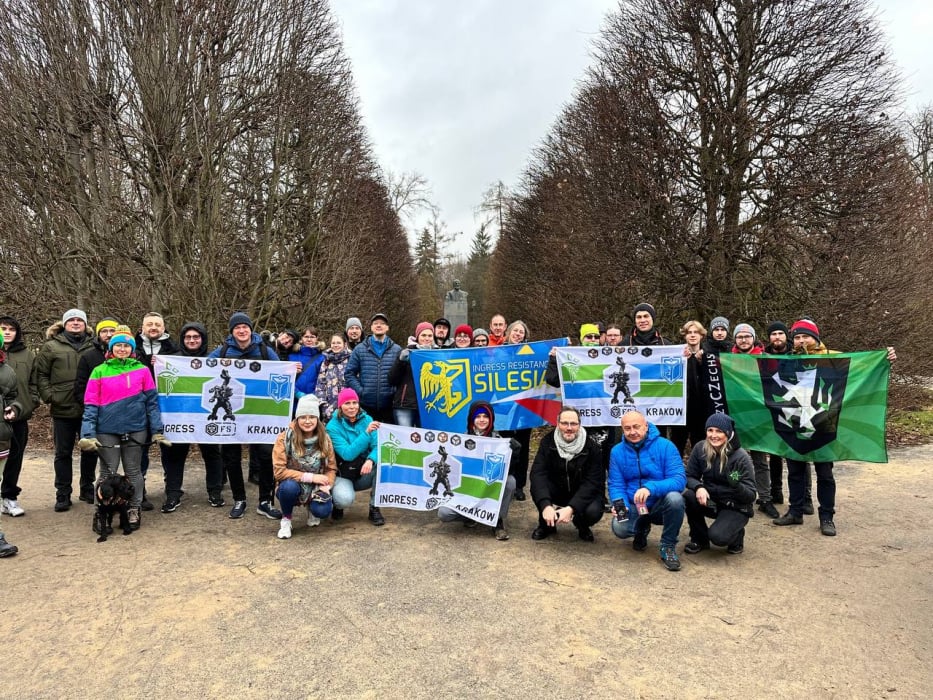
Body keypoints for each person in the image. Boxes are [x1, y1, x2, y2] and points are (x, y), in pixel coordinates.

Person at [772, 319, 896, 537]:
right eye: (797, 337)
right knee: (795, 471)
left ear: (815, 338)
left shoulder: (833, 357)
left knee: (825, 473)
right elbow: (773, 380)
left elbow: (863, 367)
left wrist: (885, 359)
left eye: (805, 336)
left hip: (824, 421)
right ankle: (795, 511)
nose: (801, 341)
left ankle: (827, 516)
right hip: (795, 422)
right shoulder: (788, 359)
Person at [78, 332, 168, 531]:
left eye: (126, 346)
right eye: (118, 346)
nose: (122, 349)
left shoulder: (143, 371)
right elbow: (91, 404)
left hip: (136, 428)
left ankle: (133, 509)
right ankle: (100, 513)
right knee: (107, 472)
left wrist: (156, 430)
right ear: (111, 349)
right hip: (106, 429)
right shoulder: (99, 371)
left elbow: (152, 403)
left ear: (132, 349)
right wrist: (88, 434)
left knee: (133, 471)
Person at [207, 312, 283, 521]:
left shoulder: (265, 351)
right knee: (231, 458)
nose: (242, 330)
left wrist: (294, 369)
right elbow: (202, 370)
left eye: (245, 327)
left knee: (267, 456)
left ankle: (265, 501)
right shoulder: (222, 351)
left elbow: (281, 373)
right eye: (237, 327)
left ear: (251, 329)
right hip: (233, 415)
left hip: (261, 415)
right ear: (232, 331)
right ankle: (239, 499)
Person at [34, 308, 98, 511]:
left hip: (90, 406)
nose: (76, 323)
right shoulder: (51, 346)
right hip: (62, 407)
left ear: (85, 324)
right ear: (64, 324)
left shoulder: (94, 346)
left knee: (90, 450)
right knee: (63, 453)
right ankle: (63, 493)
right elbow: (41, 374)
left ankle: (87, 488)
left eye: (80, 320)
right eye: (72, 320)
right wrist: (49, 396)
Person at [159, 322, 226, 510]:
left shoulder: (214, 359)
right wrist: (157, 365)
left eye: (196, 337)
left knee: (212, 455)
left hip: (207, 416)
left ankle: (215, 492)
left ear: (203, 339)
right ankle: (172, 494)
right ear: (182, 340)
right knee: (175, 456)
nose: (192, 340)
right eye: (188, 337)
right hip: (181, 416)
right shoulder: (172, 359)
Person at [608, 410, 686, 571]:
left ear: (646, 426)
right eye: (627, 428)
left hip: (660, 504)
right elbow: (616, 485)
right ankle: (641, 529)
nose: (632, 432)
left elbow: (679, 479)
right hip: (633, 504)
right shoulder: (617, 451)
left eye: (636, 427)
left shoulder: (666, 446)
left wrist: (651, 488)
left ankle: (668, 546)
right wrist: (620, 506)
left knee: (676, 499)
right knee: (619, 528)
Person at [438, 401, 515, 540]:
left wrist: (515, 454)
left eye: (485, 416)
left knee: (510, 482)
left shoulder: (499, 441)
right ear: (471, 419)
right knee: (443, 513)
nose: (481, 420)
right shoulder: (461, 440)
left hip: (487, 487)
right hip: (467, 490)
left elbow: (507, 472)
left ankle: (497, 521)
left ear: (491, 419)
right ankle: (470, 515)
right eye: (477, 416)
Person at [683, 414, 756, 555]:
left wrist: (736, 485)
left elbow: (751, 496)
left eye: (719, 431)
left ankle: (737, 535)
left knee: (718, 537)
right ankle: (699, 539)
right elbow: (689, 476)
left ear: (728, 433)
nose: (713, 435)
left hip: (735, 506)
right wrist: (699, 487)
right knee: (689, 496)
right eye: (710, 430)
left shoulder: (741, 457)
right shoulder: (700, 448)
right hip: (712, 500)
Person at [529, 406, 604, 542]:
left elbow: (593, 483)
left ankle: (582, 524)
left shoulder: (592, 447)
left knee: (594, 510)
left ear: (579, 425)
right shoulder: (547, 442)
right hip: (557, 488)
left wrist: (572, 508)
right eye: (564, 423)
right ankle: (546, 524)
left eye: (573, 424)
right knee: (538, 487)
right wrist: (545, 505)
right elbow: (538, 474)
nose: (569, 428)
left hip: (580, 491)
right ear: (558, 424)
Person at [731, 323, 779, 518]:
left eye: (747, 336)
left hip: (759, 417)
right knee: (732, 460)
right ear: (735, 340)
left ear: (753, 338)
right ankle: (736, 493)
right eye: (740, 337)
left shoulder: (766, 359)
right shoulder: (727, 360)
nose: (743, 340)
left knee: (760, 460)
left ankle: (765, 498)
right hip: (735, 415)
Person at [272, 394, 337, 539]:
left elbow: (331, 468)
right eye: (303, 417)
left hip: (315, 486)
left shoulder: (325, 438)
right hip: (292, 484)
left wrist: (327, 485)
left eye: (312, 417)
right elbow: (279, 472)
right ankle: (286, 519)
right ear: (297, 418)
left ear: (317, 418)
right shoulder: (284, 438)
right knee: (288, 488)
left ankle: (312, 508)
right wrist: (312, 477)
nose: (307, 421)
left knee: (323, 510)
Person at [325, 388, 384, 525]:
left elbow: (377, 446)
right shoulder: (332, 426)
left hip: (364, 470)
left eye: (354, 402)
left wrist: (371, 460)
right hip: (343, 473)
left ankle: (374, 507)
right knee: (344, 500)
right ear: (340, 406)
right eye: (347, 403)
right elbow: (347, 454)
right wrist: (366, 432)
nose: (352, 407)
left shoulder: (367, 419)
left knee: (383, 467)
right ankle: (337, 504)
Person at [0, 315, 38, 517]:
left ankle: (9, 496)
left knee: (15, 457)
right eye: (3, 328)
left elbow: (35, 382)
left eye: (11, 329)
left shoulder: (28, 355)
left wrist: (31, 402)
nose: (7, 332)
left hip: (19, 414)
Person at [344, 313, 401, 424]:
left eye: (382, 323)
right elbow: (349, 373)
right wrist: (361, 391)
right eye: (375, 323)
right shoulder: (360, 349)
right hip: (366, 405)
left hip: (389, 406)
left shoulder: (396, 349)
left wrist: (394, 392)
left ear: (387, 328)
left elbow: (401, 375)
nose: (379, 326)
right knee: (367, 438)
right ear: (371, 327)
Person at [502, 320, 532, 500]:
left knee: (523, 446)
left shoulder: (531, 354)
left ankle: (519, 485)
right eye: (516, 331)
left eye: (521, 332)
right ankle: (505, 482)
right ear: (509, 332)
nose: (518, 334)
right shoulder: (498, 352)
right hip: (503, 406)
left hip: (524, 408)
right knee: (504, 445)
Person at [763, 321, 791, 506]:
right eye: (773, 334)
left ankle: (805, 498)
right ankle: (776, 491)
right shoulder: (763, 356)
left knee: (796, 453)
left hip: (795, 407)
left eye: (780, 333)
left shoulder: (798, 354)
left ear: (786, 335)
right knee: (774, 452)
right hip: (771, 407)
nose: (777, 337)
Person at [389, 322, 434, 428]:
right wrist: (401, 361)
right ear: (417, 337)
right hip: (405, 405)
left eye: (429, 335)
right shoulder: (406, 352)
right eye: (423, 335)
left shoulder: (438, 354)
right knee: (405, 440)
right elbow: (392, 379)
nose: (427, 338)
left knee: (427, 440)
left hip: (429, 405)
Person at [315, 334, 351, 422]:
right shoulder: (326, 361)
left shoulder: (352, 359)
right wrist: (323, 405)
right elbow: (320, 383)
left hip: (348, 407)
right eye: (333, 343)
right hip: (328, 409)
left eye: (338, 343)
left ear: (345, 344)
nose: (335, 345)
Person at [291, 326, 326, 400]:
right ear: (302, 338)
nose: (309, 339)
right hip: (292, 399)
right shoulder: (292, 356)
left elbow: (323, 381)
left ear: (317, 339)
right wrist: (296, 392)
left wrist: (313, 396)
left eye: (312, 337)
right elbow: (285, 377)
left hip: (313, 400)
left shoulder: (322, 358)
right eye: (306, 336)